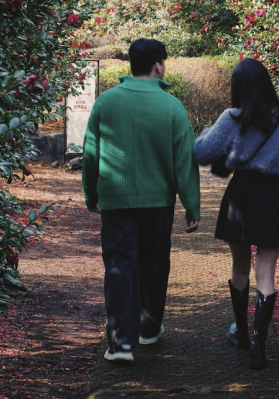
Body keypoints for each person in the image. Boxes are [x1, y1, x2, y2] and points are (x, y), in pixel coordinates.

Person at [81, 38, 200, 364]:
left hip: (116, 201)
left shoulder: (106, 102)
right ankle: (149, 329)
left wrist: (91, 194)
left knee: (120, 266)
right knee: (154, 263)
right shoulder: (172, 106)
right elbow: (184, 161)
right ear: (158, 64)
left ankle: (120, 344)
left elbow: (91, 154)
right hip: (158, 203)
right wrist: (192, 205)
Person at [192, 58, 279, 369]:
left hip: (242, 195)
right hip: (272, 194)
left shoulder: (231, 118)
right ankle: (259, 348)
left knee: (240, 265)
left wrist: (209, 134)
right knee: (267, 271)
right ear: (266, 83)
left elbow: (202, 153)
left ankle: (241, 333)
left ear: (238, 88)